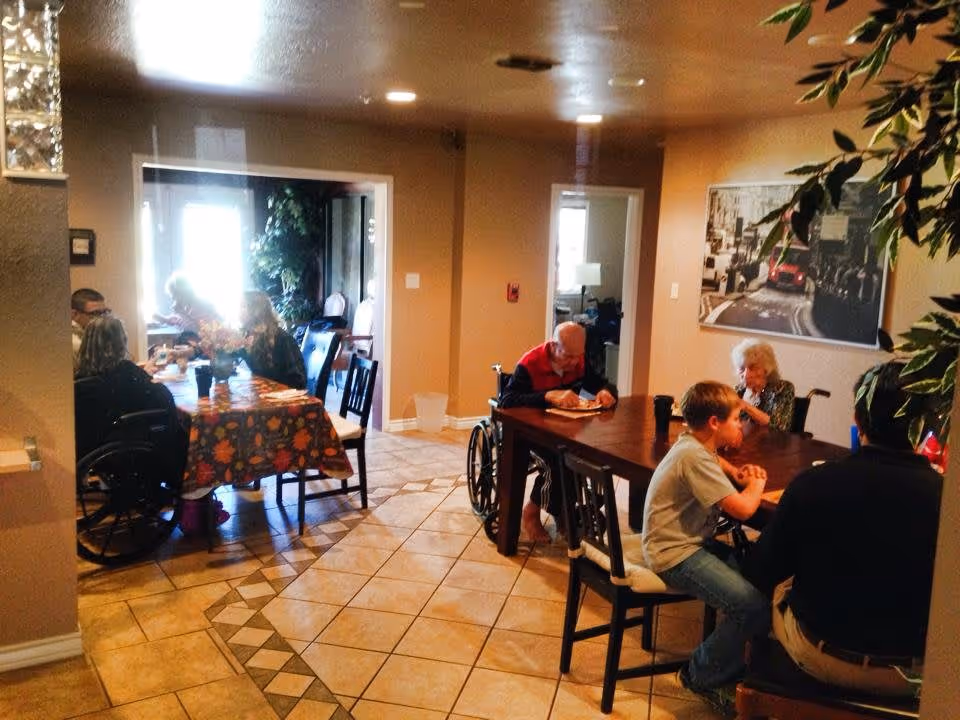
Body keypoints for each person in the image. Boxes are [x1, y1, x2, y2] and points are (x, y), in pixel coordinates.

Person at [745, 361, 942, 697]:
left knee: (776, 586)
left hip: (822, 656)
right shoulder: (946, 501)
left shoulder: (812, 484)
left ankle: (732, 671)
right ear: (926, 428)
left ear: (857, 419)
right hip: (916, 673)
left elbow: (762, 571)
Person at [640, 381, 770, 713]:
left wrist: (736, 472)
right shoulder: (693, 458)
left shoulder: (693, 445)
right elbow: (743, 509)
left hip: (685, 544)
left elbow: (712, 459)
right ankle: (698, 674)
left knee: (760, 576)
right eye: (737, 419)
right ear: (715, 422)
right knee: (752, 606)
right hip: (674, 553)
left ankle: (740, 663)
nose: (741, 425)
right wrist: (755, 485)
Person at [500, 321, 617, 542]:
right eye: (569, 356)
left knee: (584, 457)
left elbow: (600, 383)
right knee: (559, 462)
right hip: (528, 433)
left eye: (578, 356)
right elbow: (506, 400)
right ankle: (531, 512)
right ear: (554, 346)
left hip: (564, 430)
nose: (575, 362)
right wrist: (547, 396)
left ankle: (563, 512)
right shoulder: (530, 364)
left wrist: (605, 391)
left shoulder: (579, 359)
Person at [74, 316, 186, 463]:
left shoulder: (80, 378)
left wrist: (144, 373)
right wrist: (149, 379)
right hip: (129, 449)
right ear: (120, 342)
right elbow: (163, 398)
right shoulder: (127, 372)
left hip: (91, 450)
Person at [239, 290, 306, 389]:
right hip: (261, 394)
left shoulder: (282, 339)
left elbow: (298, 380)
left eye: (243, 306)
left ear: (256, 311)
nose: (238, 311)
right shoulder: (246, 336)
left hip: (283, 398)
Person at [731, 338, 795, 431]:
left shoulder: (782, 389)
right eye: (742, 368)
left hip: (771, 443)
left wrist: (744, 405)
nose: (746, 374)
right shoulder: (738, 390)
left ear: (766, 369)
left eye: (752, 368)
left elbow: (779, 427)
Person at [153, 271, 219, 333]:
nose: (172, 298)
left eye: (174, 294)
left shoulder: (200, 305)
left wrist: (181, 320)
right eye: (171, 295)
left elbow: (200, 331)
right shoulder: (182, 306)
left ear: (183, 292)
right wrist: (167, 319)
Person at [70, 288, 109, 367]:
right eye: (95, 313)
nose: (102, 318)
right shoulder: (76, 344)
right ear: (74, 314)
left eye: (104, 312)